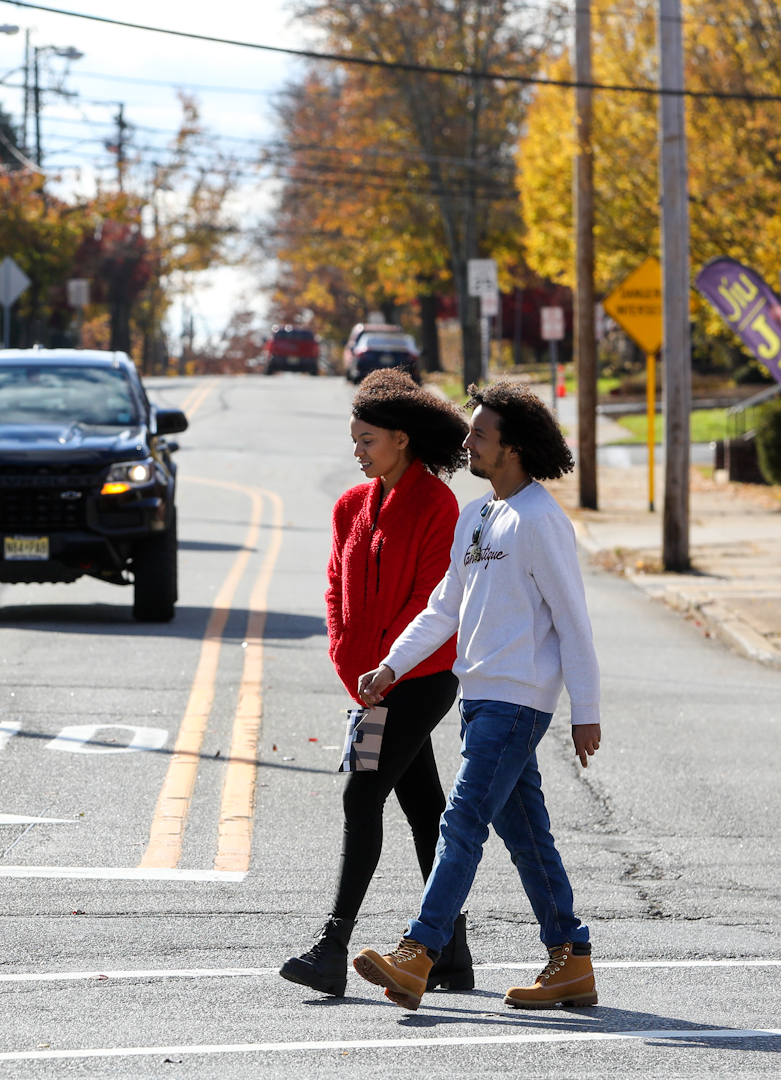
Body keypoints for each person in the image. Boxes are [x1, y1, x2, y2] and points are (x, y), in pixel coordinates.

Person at [349, 381, 604, 1013]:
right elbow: (444, 608)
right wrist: (390, 666)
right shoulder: (480, 515)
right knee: (526, 834)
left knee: (461, 820)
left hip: (518, 699)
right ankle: (571, 958)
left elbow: (573, 621)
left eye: (480, 435)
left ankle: (419, 951)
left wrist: (586, 711)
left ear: (511, 447)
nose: (468, 443)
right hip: (480, 696)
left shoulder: (541, 520)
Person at [279, 369, 474, 998]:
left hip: (421, 678)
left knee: (360, 797)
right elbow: (335, 589)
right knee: (424, 810)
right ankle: (451, 953)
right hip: (368, 685)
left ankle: (333, 946)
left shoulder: (437, 505)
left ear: (401, 439)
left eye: (367, 440)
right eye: (355, 441)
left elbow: (429, 602)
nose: (358, 451)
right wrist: (348, 658)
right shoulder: (350, 506)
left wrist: (388, 666)